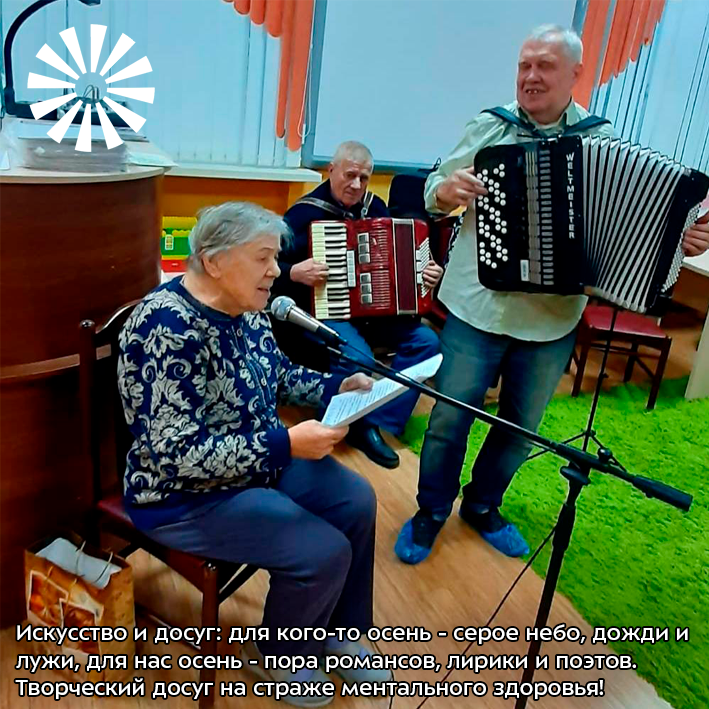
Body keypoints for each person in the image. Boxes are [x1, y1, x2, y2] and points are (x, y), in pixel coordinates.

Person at [394, 24, 709, 565]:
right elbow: (431, 192)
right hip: (476, 308)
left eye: (544, 66)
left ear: (574, 74)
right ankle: (431, 511)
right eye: (525, 65)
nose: (531, 76)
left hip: (551, 320)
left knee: (520, 430)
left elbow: (634, 225)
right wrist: (446, 190)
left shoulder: (598, 142)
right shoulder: (490, 127)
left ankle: (483, 505)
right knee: (448, 421)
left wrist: (682, 238)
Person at [117, 202, 391, 707]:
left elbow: (279, 375)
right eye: (263, 258)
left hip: (255, 464)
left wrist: (336, 387)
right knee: (322, 550)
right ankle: (281, 654)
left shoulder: (247, 307)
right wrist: (285, 444)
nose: (276, 271)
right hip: (183, 496)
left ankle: (339, 633)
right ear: (214, 261)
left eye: (275, 258)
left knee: (355, 499)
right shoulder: (166, 328)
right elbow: (175, 453)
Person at [273, 140, 443, 470]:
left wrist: (425, 273)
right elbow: (268, 267)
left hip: (375, 313)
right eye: (349, 175)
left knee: (426, 342)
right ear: (331, 170)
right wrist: (293, 272)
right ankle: (355, 423)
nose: (356, 184)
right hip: (324, 312)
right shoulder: (303, 214)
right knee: (358, 356)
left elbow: (398, 260)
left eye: (363, 178)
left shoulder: (376, 208)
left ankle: (377, 420)